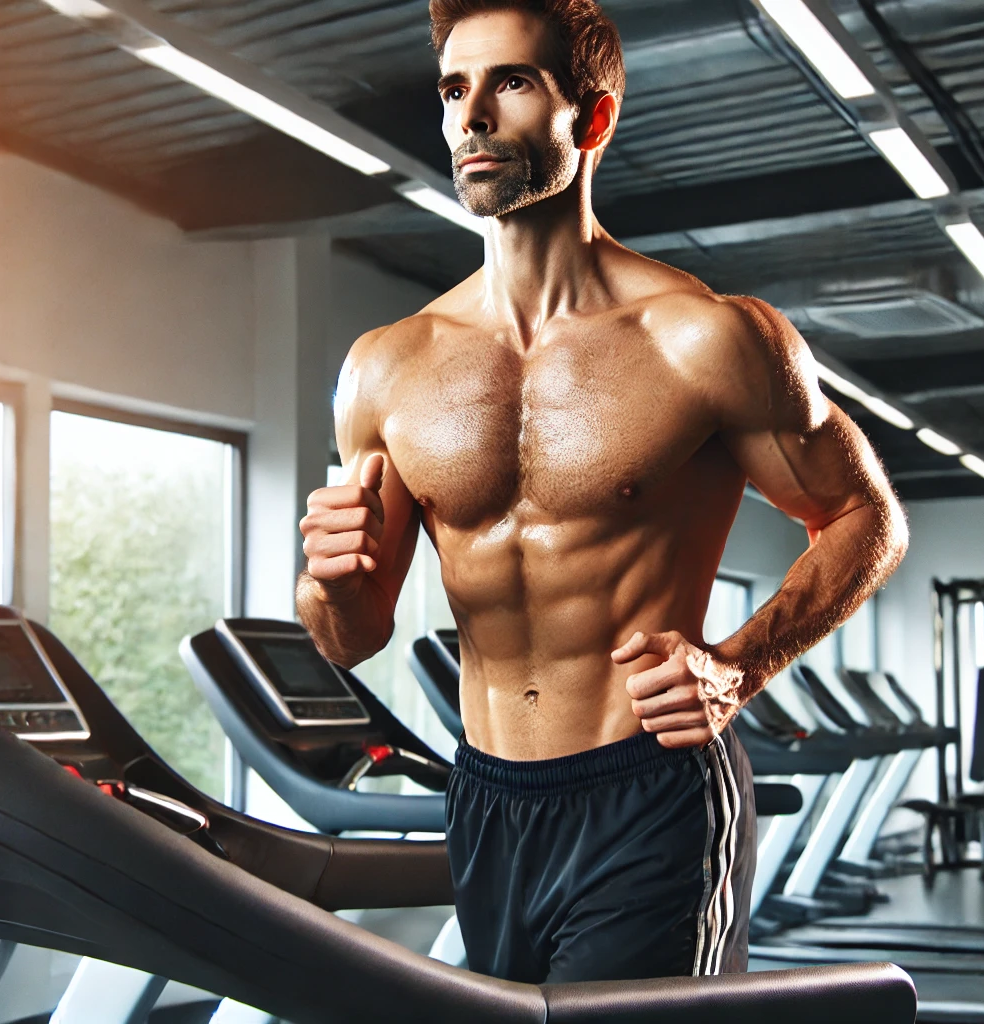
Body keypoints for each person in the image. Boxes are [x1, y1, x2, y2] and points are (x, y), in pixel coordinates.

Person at [297, 0, 907, 985]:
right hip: (486, 796)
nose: (472, 117)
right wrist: (328, 579)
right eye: (455, 89)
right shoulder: (386, 369)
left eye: (511, 82)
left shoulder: (707, 339)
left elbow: (864, 517)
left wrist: (738, 667)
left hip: (649, 791)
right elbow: (349, 633)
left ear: (593, 118)